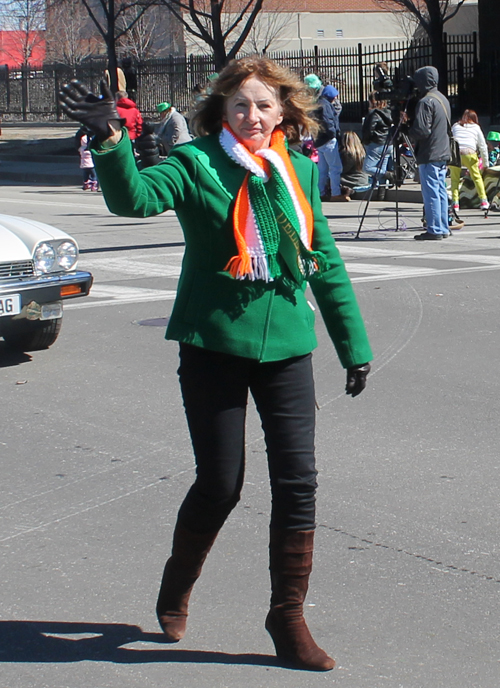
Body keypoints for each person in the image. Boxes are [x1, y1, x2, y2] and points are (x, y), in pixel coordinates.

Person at [59, 59, 372, 673]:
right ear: (222, 111)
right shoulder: (196, 163)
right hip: (212, 347)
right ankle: (177, 584)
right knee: (221, 484)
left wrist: (352, 346)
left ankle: (287, 616)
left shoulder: (299, 171)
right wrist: (111, 141)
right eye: (239, 106)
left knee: (298, 483)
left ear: (283, 111)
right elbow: (134, 200)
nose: (251, 116)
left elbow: (324, 261)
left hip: (286, 346)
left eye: (262, 105)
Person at [405, 66, 451, 241]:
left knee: (431, 191)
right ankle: (443, 226)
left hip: (429, 152)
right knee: (440, 191)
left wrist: (408, 129)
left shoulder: (425, 102)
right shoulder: (442, 99)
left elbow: (422, 130)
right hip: (442, 151)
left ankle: (434, 229)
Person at [450, 109, 489, 212]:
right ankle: (483, 200)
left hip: (456, 154)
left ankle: (455, 203)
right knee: (477, 177)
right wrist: (485, 163)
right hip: (470, 153)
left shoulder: (455, 126)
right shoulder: (476, 127)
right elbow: (483, 146)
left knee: (454, 179)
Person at [313, 85, 347, 201]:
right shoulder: (326, 106)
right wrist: (334, 134)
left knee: (322, 169)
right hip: (328, 140)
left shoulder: (318, 104)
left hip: (320, 140)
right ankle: (335, 193)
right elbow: (329, 122)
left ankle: (320, 192)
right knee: (335, 168)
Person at [361, 91, 393, 198]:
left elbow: (369, 130)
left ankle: (389, 175)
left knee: (367, 167)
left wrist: (366, 141)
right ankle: (381, 194)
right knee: (381, 167)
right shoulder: (389, 112)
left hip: (376, 143)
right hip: (388, 143)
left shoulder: (374, 113)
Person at [339, 131, 370, 197]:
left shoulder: (348, 153)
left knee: (333, 177)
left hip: (353, 180)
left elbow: (344, 169)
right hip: (363, 180)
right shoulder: (362, 152)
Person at [77, 127, 98, 191]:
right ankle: (94, 185)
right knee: (94, 175)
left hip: (83, 165)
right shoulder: (91, 149)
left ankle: (86, 184)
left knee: (85, 175)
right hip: (91, 164)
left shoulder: (81, 149)